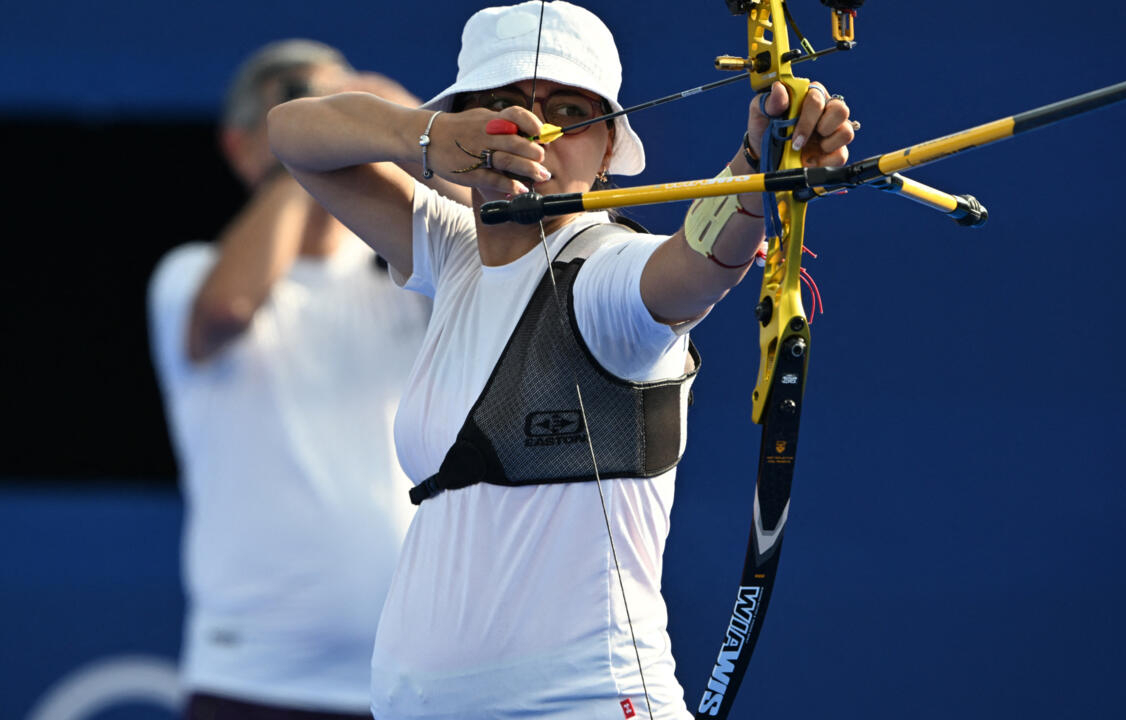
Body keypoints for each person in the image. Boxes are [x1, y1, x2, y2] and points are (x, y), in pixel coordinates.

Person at [267, 3, 855, 718]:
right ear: (459, 124)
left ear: (609, 148)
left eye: (569, 111)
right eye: (504, 105)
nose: (535, 129)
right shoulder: (450, 253)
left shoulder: (603, 277)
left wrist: (756, 168)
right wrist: (420, 138)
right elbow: (292, 134)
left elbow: (693, 264)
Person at [148, 39, 465, 719]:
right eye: (295, 112)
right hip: (250, 680)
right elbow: (227, 311)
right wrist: (308, 147)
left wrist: (408, 130)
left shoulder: (417, 282)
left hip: (407, 676)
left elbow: (509, 258)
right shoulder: (187, 276)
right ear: (241, 148)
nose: (329, 126)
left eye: (337, 112)